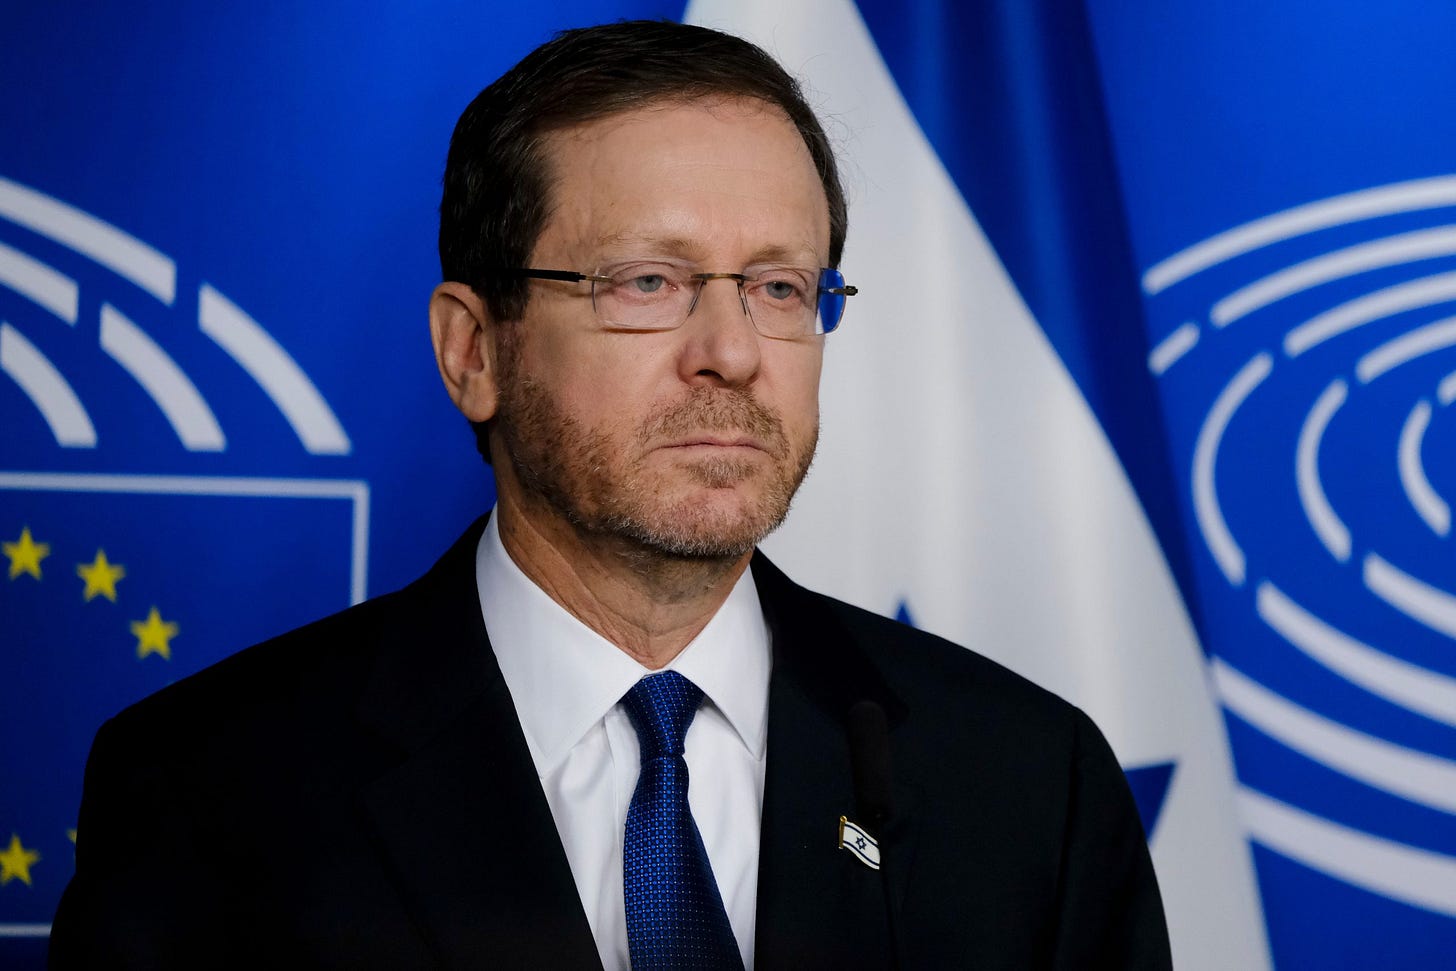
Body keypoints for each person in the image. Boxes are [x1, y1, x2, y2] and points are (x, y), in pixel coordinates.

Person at [49, 20, 1171, 970]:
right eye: (648, 281)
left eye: (781, 287)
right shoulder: (208, 792)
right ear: (474, 350)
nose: (733, 351)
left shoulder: (1032, 784)